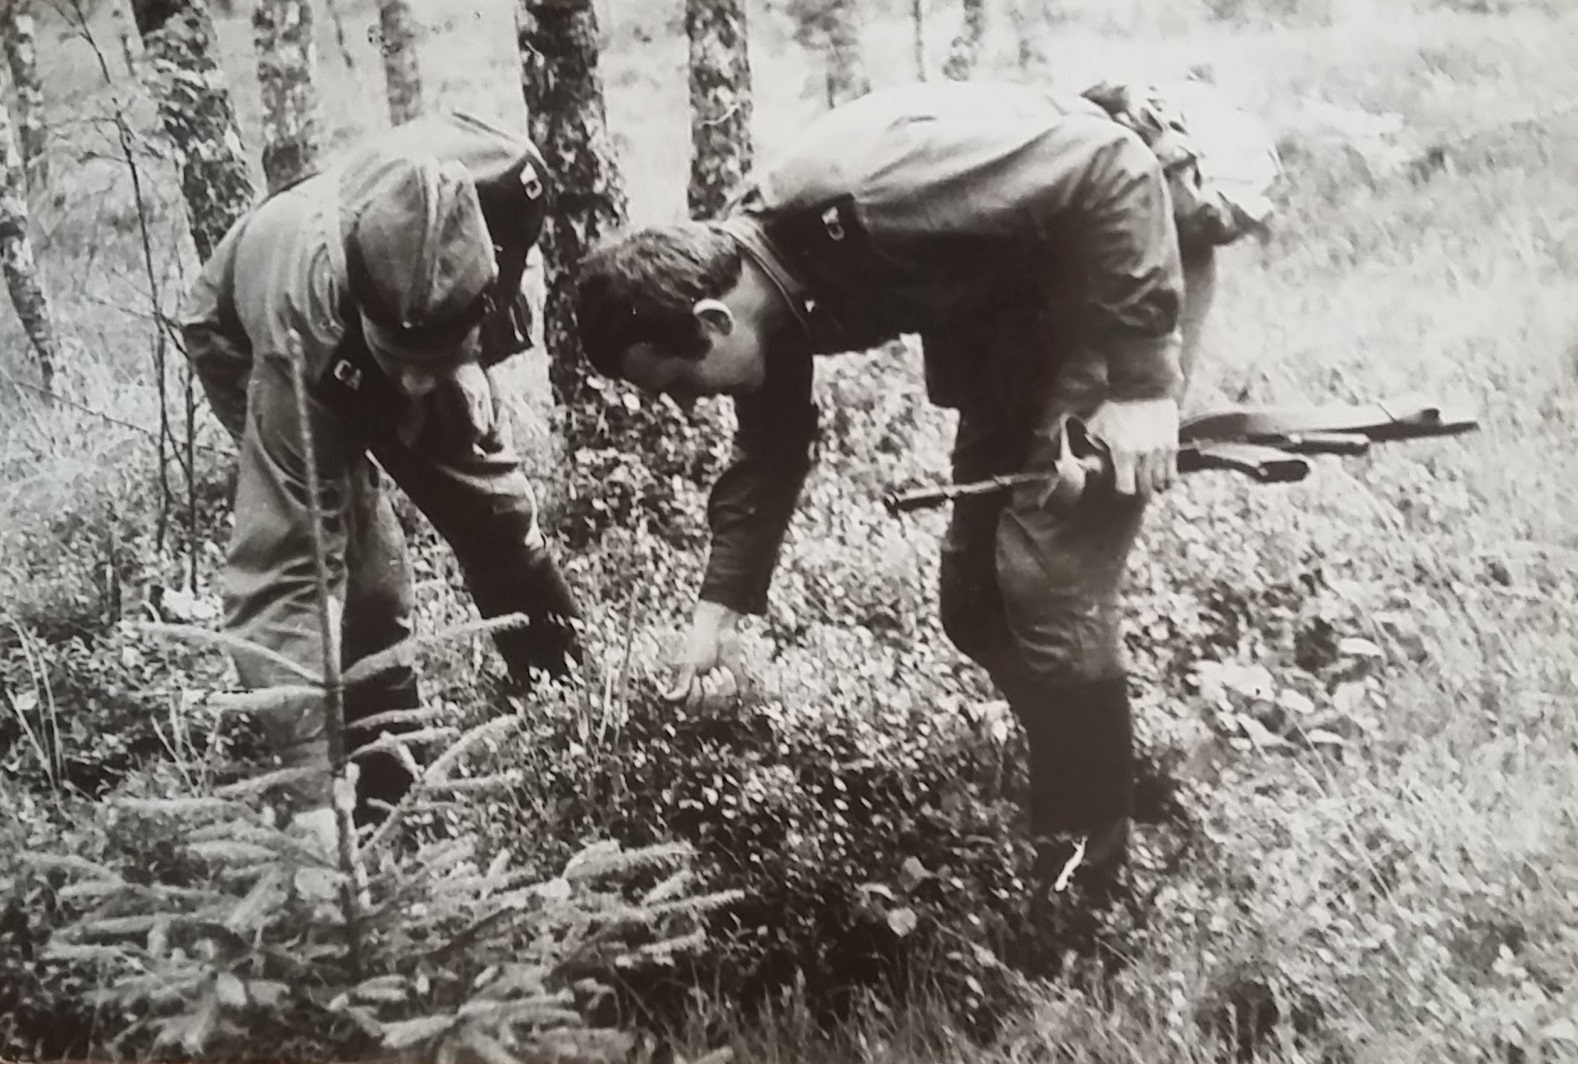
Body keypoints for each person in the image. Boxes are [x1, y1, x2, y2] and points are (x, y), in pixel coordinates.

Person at [573, 79, 1274, 900]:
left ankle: (1090, 867)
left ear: (711, 323)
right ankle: (1097, 770)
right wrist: (712, 619)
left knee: (1046, 578)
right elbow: (768, 451)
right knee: (973, 599)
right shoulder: (755, 277)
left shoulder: (866, 198)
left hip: (1118, 270)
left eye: (681, 384)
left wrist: (1146, 387)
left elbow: (1114, 166)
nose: (690, 404)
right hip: (1017, 331)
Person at [181, 113, 581, 832]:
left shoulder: (503, 179)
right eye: (403, 365)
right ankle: (381, 794)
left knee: (492, 502)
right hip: (252, 330)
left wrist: (469, 360)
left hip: (388, 320)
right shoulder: (302, 341)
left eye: (432, 360)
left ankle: (567, 697)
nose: (417, 389)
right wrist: (308, 793)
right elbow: (282, 582)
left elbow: (503, 263)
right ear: (371, 326)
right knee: (362, 577)